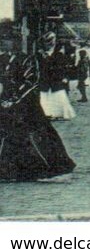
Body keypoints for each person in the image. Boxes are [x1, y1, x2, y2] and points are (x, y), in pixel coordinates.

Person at [0, 42, 75, 181]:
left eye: (8, 40)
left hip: (27, 104)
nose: (5, 44)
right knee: (8, 135)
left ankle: (52, 168)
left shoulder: (27, 59)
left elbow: (32, 81)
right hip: (5, 104)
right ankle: (10, 170)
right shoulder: (2, 60)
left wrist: (14, 98)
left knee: (37, 133)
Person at [37, 35, 74, 121]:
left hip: (56, 78)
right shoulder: (40, 54)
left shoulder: (59, 54)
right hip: (44, 77)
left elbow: (63, 67)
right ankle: (46, 113)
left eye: (51, 42)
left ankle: (58, 113)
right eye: (47, 42)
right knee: (44, 95)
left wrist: (64, 77)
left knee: (58, 95)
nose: (49, 44)